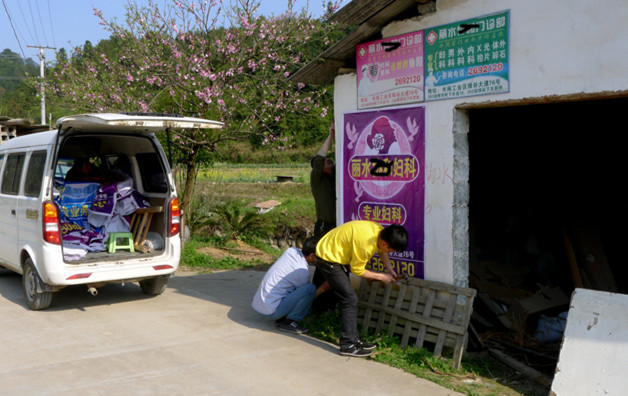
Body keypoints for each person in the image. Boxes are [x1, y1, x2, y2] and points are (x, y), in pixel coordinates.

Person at [315, 220, 408, 357]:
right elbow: (357, 271)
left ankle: (353, 340)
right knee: (350, 299)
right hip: (327, 257)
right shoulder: (366, 245)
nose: (390, 252)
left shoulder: (380, 231)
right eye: (392, 250)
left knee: (350, 299)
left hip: (333, 252)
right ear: (384, 243)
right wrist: (381, 277)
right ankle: (347, 345)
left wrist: (390, 269)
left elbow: (382, 251)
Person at [252, 237, 329, 334]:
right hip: (271, 310)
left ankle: (282, 316)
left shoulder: (291, 251)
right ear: (312, 256)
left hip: (261, 304)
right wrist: (323, 288)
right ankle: (289, 322)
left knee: (294, 288)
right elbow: (307, 298)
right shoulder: (302, 272)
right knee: (310, 289)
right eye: (321, 256)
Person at [310, 122, 339, 313]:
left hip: (336, 227)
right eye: (324, 161)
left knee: (334, 265)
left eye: (330, 159)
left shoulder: (333, 177)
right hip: (324, 228)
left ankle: (328, 303)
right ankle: (316, 304)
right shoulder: (317, 180)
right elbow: (320, 158)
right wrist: (331, 136)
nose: (328, 160)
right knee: (322, 267)